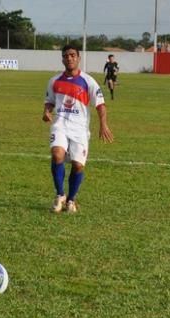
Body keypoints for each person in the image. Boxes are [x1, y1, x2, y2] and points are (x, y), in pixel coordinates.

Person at [43, 45, 114, 213]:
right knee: (57, 154)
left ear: (78, 58)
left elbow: (101, 105)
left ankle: (71, 199)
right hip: (60, 124)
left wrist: (103, 125)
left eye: (72, 55)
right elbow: (49, 101)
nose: (69, 58)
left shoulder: (88, 81)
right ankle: (60, 195)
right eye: (66, 55)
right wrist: (46, 111)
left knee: (78, 166)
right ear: (62, 59)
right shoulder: (54, 81)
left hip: (80, 129)